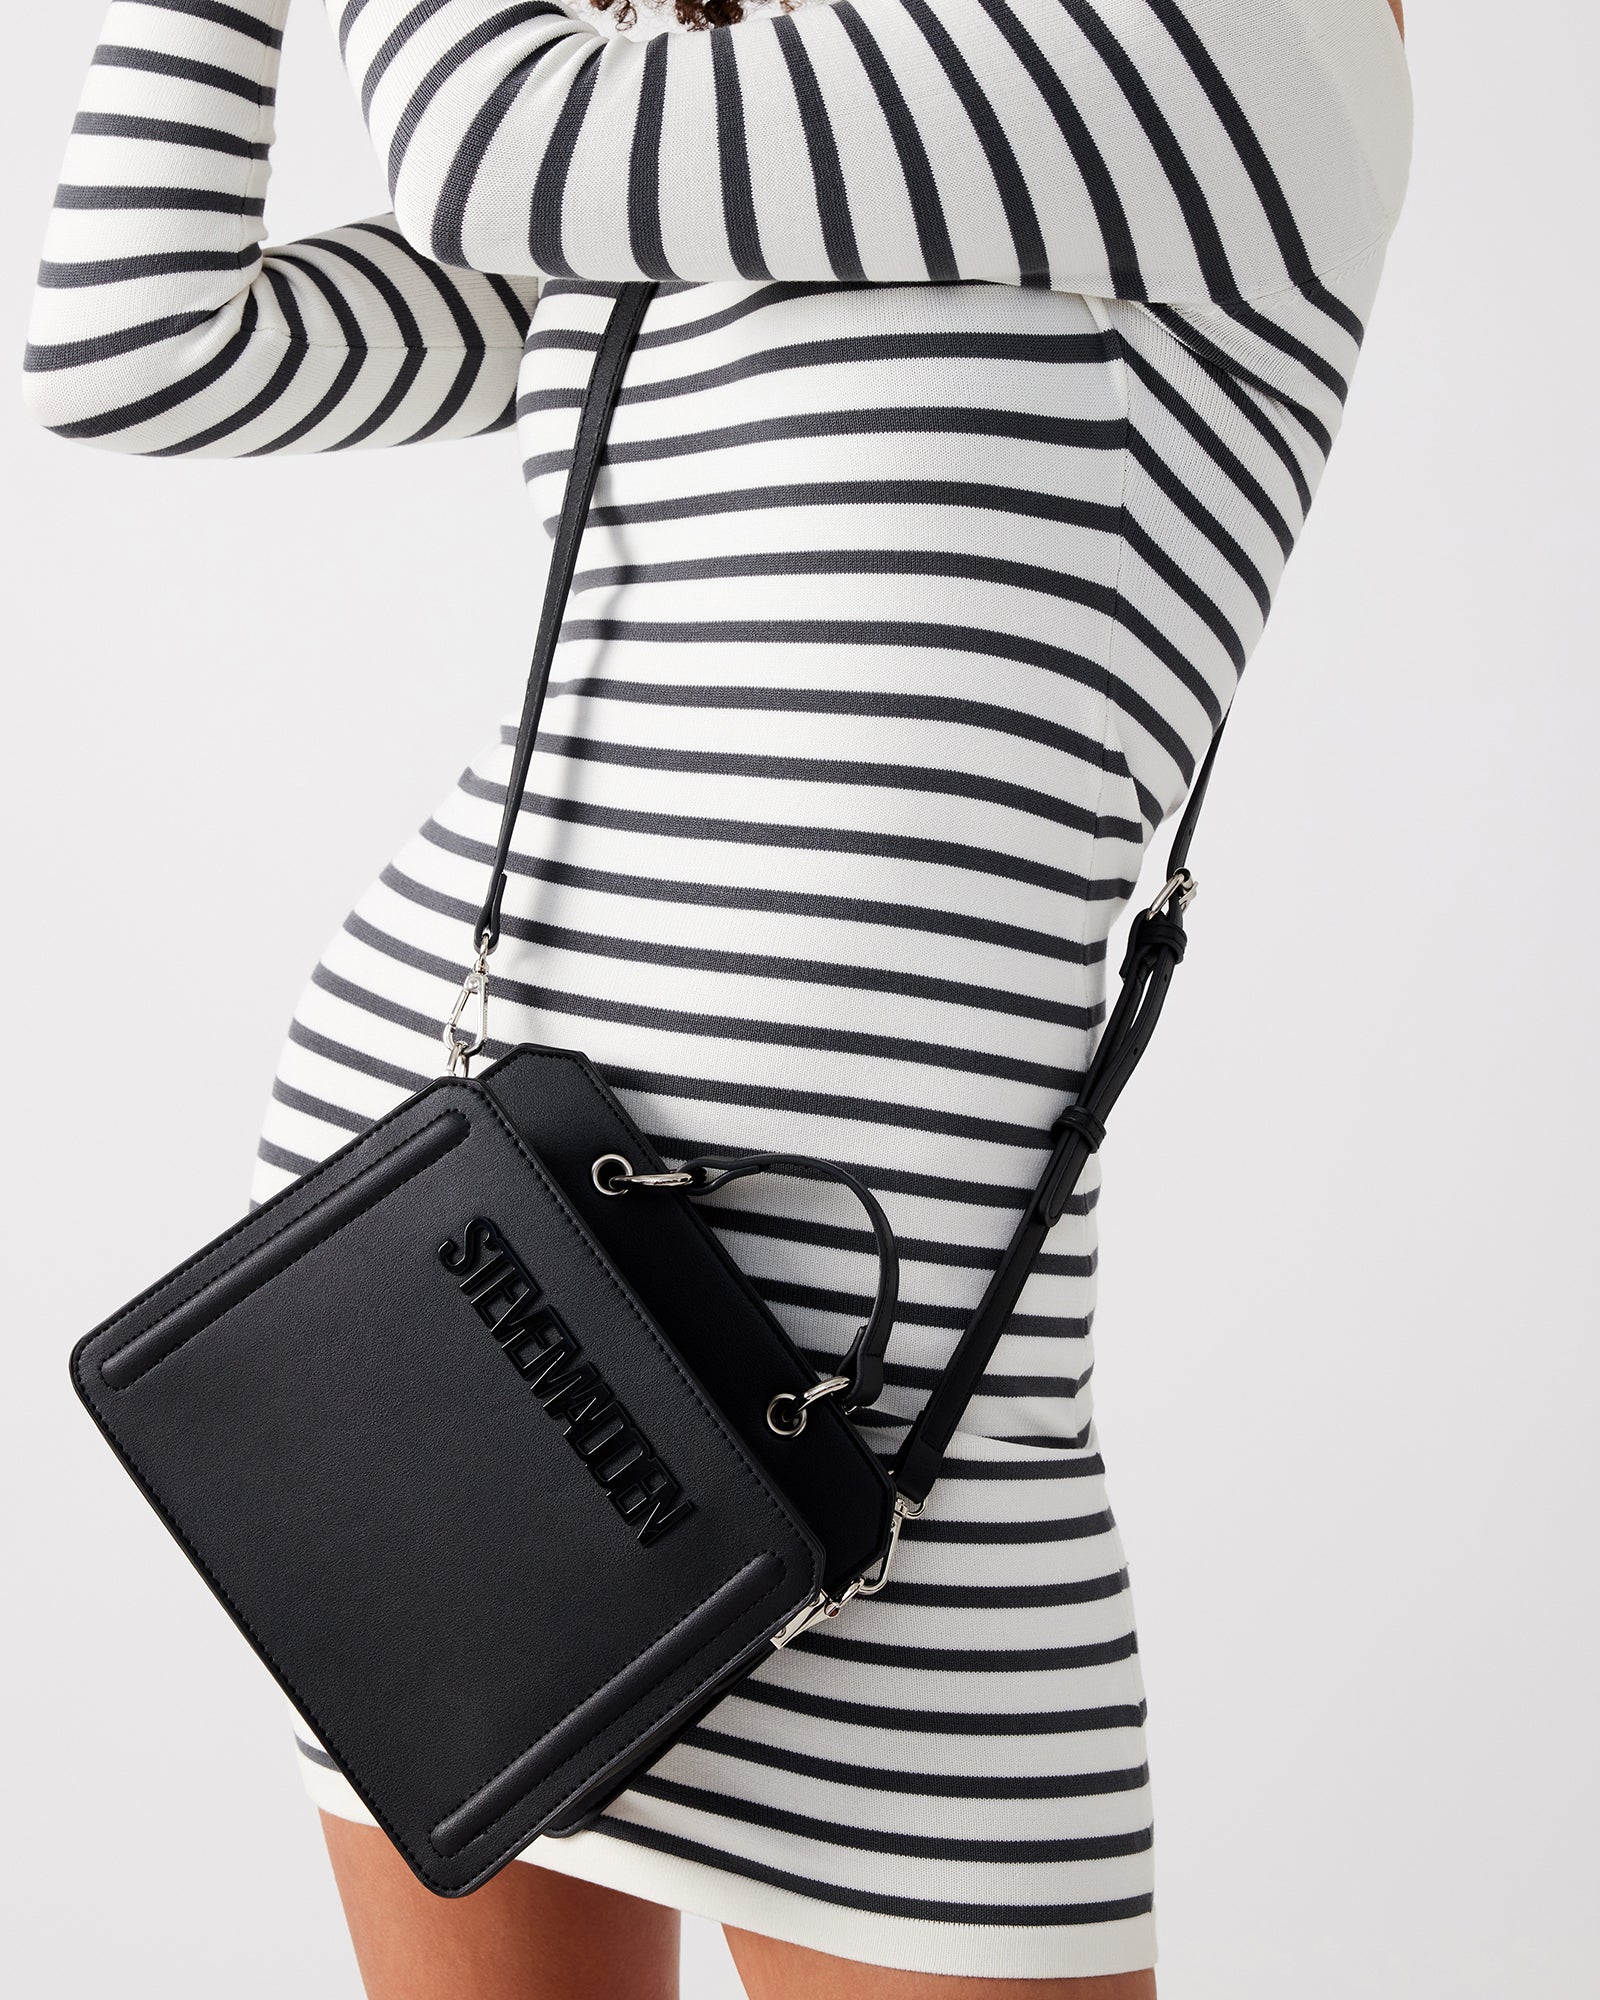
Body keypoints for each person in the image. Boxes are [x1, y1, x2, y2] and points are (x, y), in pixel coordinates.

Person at [21, 1, 1410, 1993]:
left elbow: (489, 143)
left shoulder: (1227, 42)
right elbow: (140, 344)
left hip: (878, 1409)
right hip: (455, 1290)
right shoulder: (728, 117)